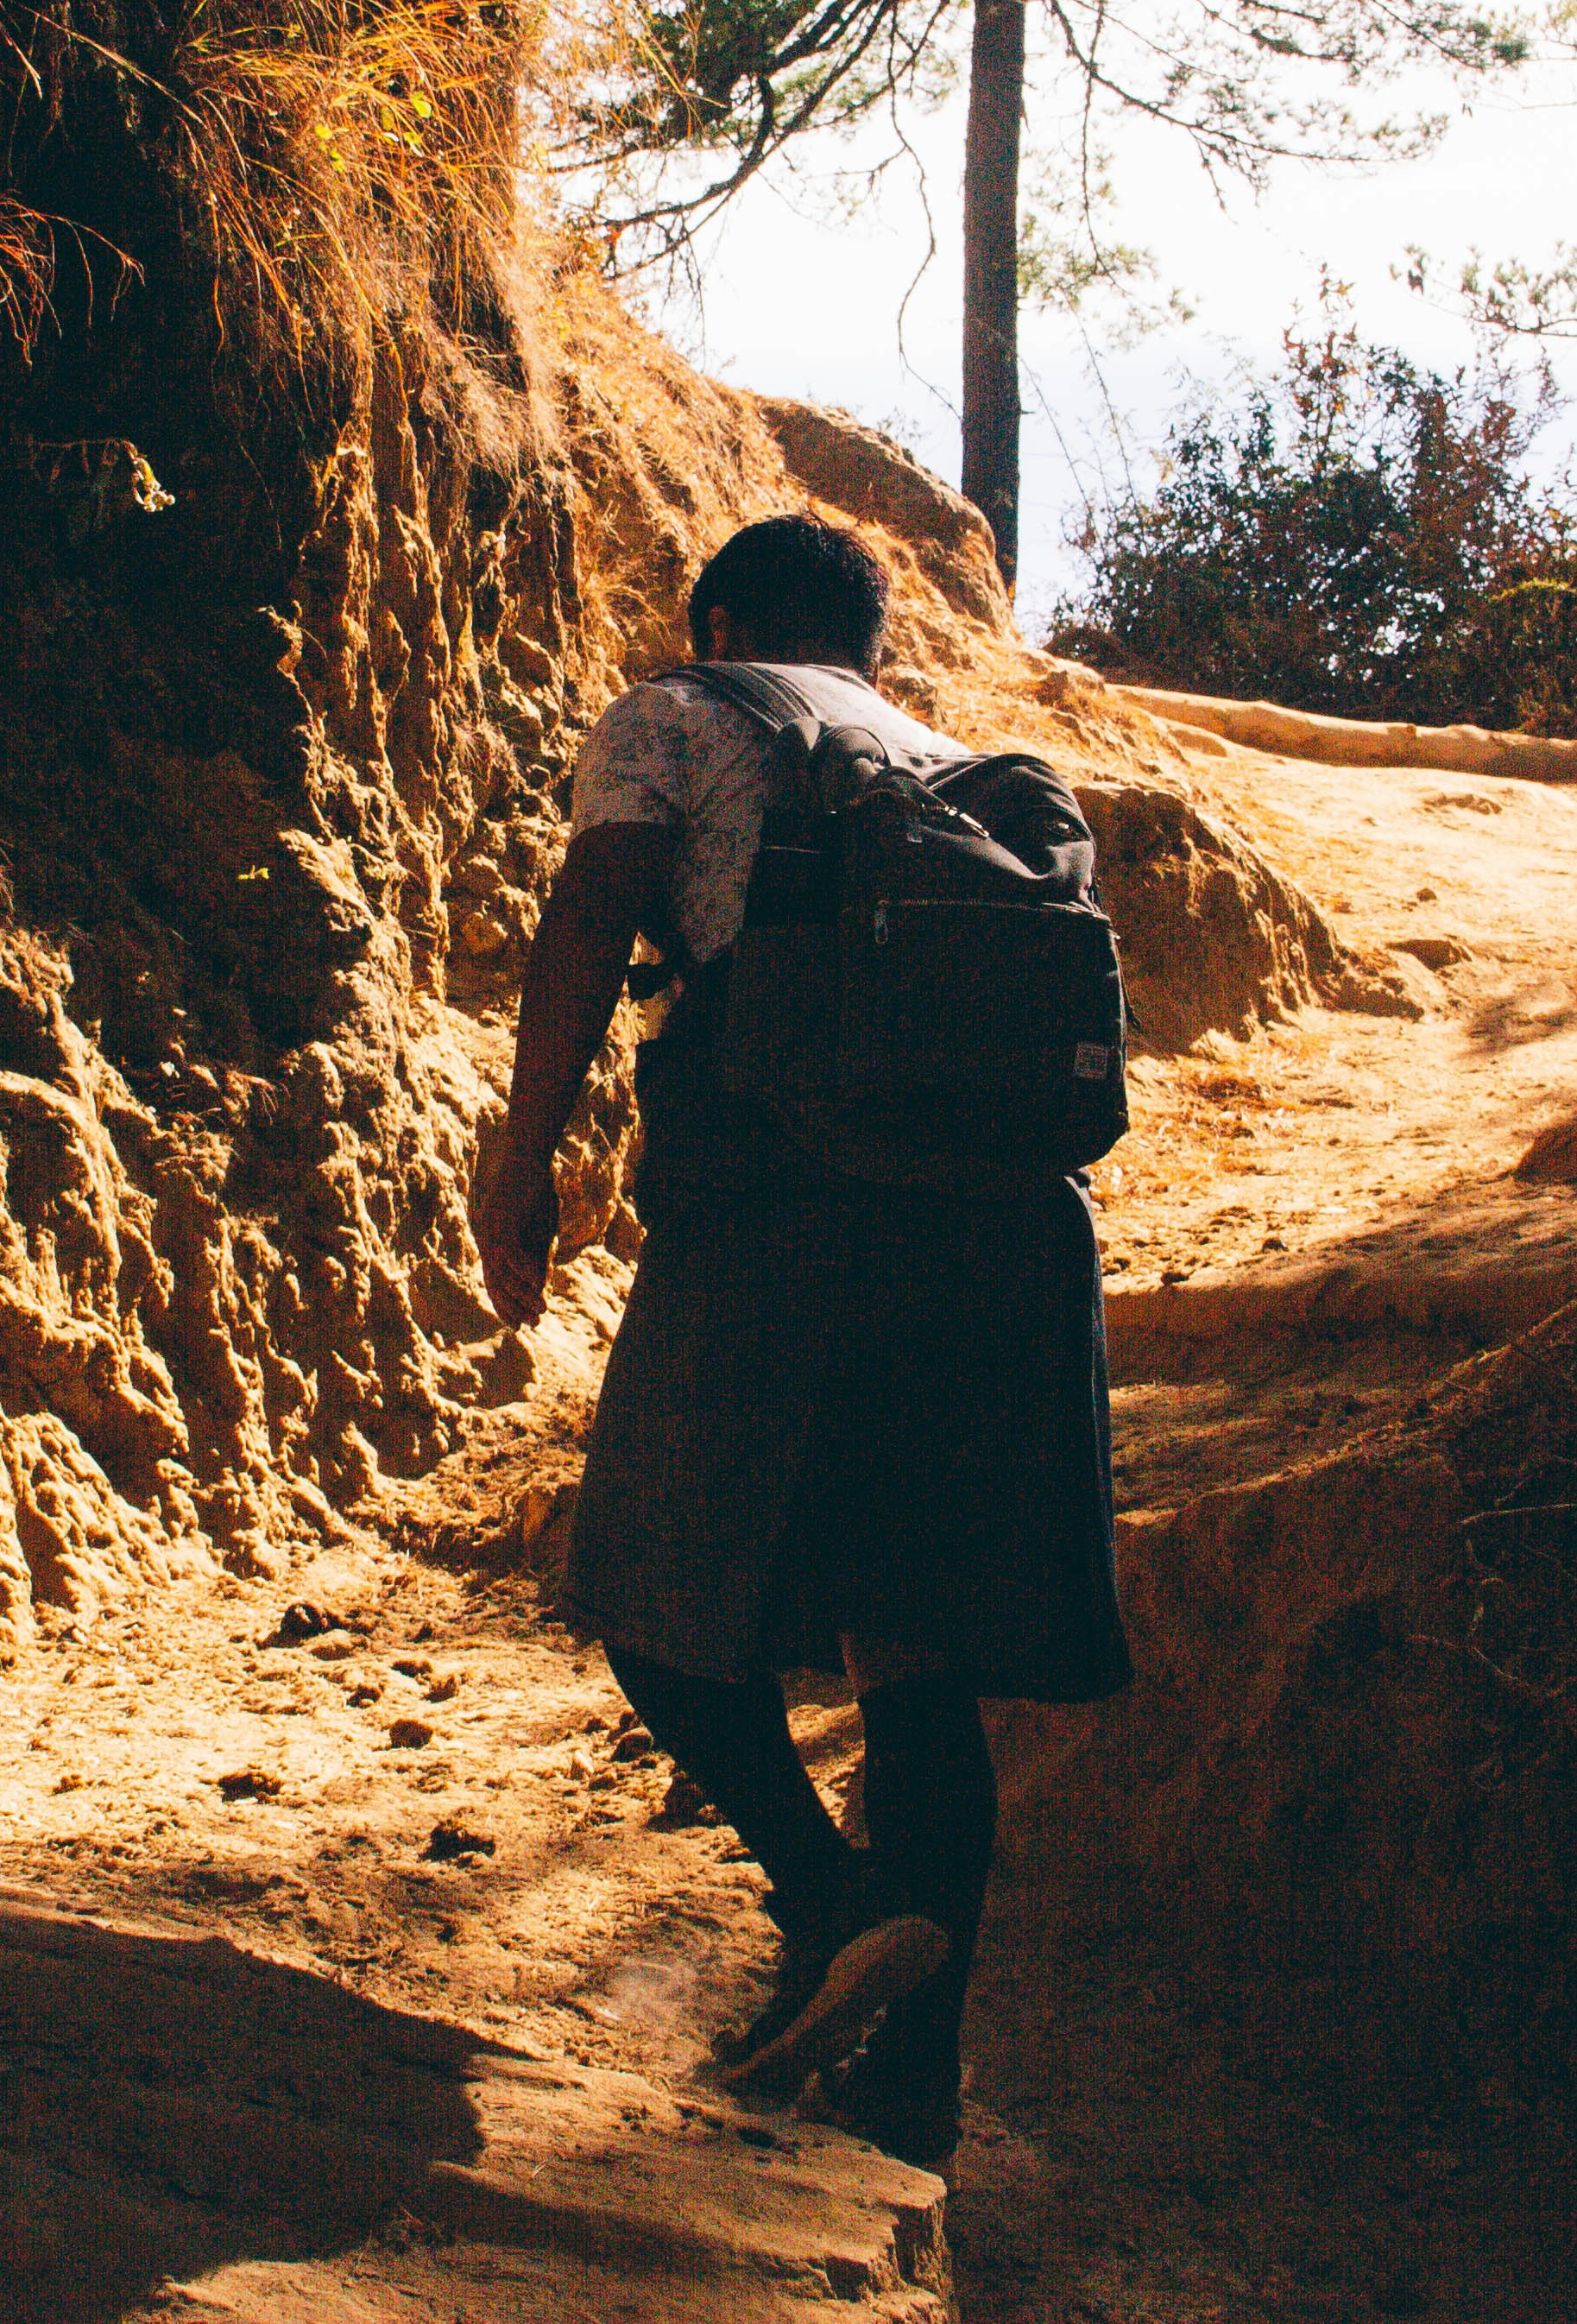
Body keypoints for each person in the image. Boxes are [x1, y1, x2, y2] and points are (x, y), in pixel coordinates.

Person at [470, 514, 1132, 2171]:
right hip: (1001, 1239)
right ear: (876, 649)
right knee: (914, 1655)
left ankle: (832, 1899)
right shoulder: (976, 770)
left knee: (647, 1589)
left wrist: (519, 1155)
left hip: (780, 1213)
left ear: (712, 619)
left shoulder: (677, 714)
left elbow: (586, 926)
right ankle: (912, 2087)